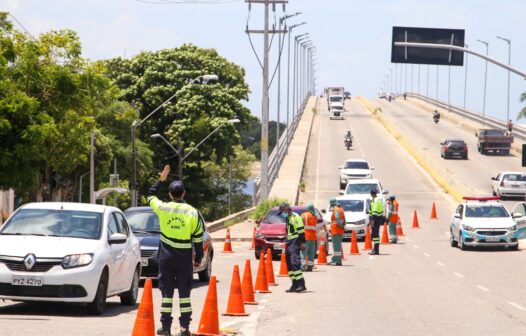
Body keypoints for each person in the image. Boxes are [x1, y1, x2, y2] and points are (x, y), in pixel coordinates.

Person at [147, 165, 204, 336]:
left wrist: (160, 180)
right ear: (184, 193)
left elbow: (149, 195)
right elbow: (198, 238)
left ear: (170, 194)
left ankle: (165, 328)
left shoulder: (163, 208)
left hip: (166, 258)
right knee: (185, 293)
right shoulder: (192, 212)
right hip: (184, 258)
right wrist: (198, 258)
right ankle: (185, 328)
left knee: (167, 293)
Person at [279, 203, 307, 293]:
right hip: (289, 242)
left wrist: (302, 243)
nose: (283, 213)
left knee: (295, 262)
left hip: (295, 241)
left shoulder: (296, 217)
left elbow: (301, 231)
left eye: (283, 211)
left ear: (287, 209)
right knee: (289, 264)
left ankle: (301, 284)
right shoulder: (288, 218)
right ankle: (294, 284)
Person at [328, 197, 345, 266]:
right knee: (337, 246)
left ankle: (338, 261)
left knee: (336, 247)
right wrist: (342, 226)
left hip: (336, 230)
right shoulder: (341, 209)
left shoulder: (335, 209)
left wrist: (340, 226)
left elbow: (337, 219)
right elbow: (344, 220)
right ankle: (334, 259)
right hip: (339, 231)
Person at [301, 204, 317, 272]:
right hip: (313, 237)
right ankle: (310, 267)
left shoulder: (304, 215)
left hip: (306, 236)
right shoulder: (314, 216)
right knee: (311, 252)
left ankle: (302, 266)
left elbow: (300, 224)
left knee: (303, 252)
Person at [368, 190, 384, 255]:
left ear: (372, 194)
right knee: (376, 235)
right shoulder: (378, 200)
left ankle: (375, 250)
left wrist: (372, 222)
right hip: (378, 219)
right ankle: (375, 249)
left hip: (375, 219)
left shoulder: (375, 201)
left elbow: (374, 213)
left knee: (375, 235)